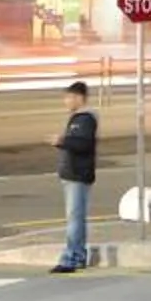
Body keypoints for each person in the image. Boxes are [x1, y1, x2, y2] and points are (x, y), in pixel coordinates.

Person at [51, 80, 100, 274]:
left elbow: (83, 145)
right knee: (74, 218)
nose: (66, 101)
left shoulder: (85, 119)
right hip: (72, 175)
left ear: (79, 98)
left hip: (78, 175)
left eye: (69, 97)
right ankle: (76, 255)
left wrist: (62, 141)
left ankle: (73, 257)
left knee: (75, 219)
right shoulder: (78, 118)